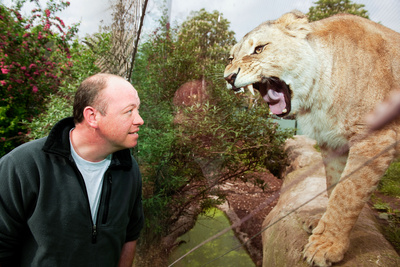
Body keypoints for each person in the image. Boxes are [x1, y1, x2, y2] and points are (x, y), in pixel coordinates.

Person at [0, 73, 145, 267]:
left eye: (138, 110)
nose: (139, 120)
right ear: (92, 116)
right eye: (129, 111)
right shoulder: (23, 166)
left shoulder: (129, 169)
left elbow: (130, 235)